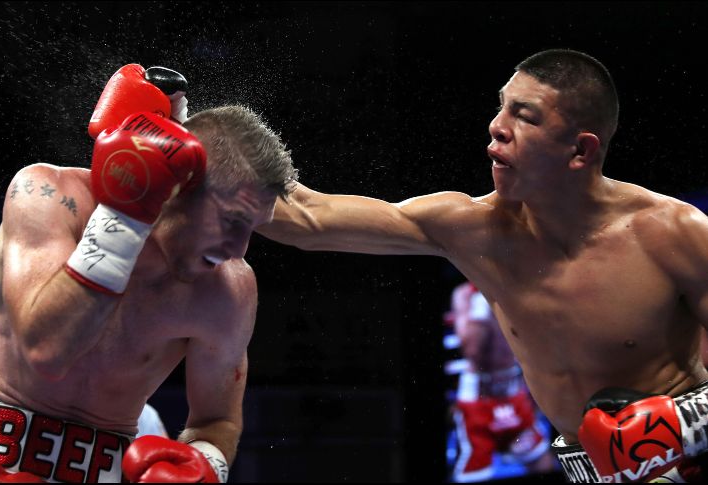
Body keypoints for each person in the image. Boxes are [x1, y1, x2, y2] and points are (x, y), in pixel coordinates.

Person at [258, 49, 708, 482]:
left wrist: (686, 427)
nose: (496, 127)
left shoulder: (673, 233)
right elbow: (305, 219)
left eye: (524, 116)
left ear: (580, 151)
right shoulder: (474, 231)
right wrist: (196, 144)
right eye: (501, 107)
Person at [0, 64, 297, 483]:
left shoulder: (230, 289)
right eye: (232, 221)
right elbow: (47, 352)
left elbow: (218, 421)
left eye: (252, 229)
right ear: (178, 187)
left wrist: (206, 465)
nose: (239, 248)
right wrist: (124, 217)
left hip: (106, 470)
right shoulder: (46, 196)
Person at [448, 281, 554, 482]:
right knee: (473, 476)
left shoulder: (512, 284)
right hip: (478, 400)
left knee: (543, 463)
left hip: (512, 392)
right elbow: (472, 351)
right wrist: (481, 313)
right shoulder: (464, 294)